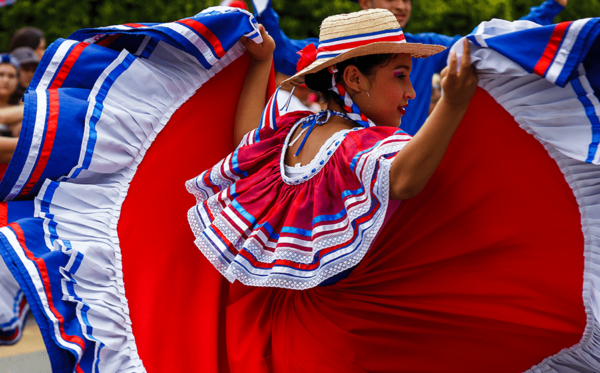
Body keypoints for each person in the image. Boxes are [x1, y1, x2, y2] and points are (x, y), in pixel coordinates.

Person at [189, 9, 476, 288]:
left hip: (279, 322)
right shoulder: (358, 145)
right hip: (349, 325)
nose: (411, 91)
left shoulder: (293, 130)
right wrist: (452, 105)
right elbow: (404, 182)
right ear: (353, 78)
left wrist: (261, 63)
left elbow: (246, 140)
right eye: (400, 76)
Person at [254, 0, 567, 135]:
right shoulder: (333, 49)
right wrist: (260, 8)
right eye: (399, 75)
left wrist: (550, 8)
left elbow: (489, 42)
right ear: (350, 75)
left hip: (406, 172)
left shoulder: (429, 42)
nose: (402, 6)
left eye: (407, 70)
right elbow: (279, 52)